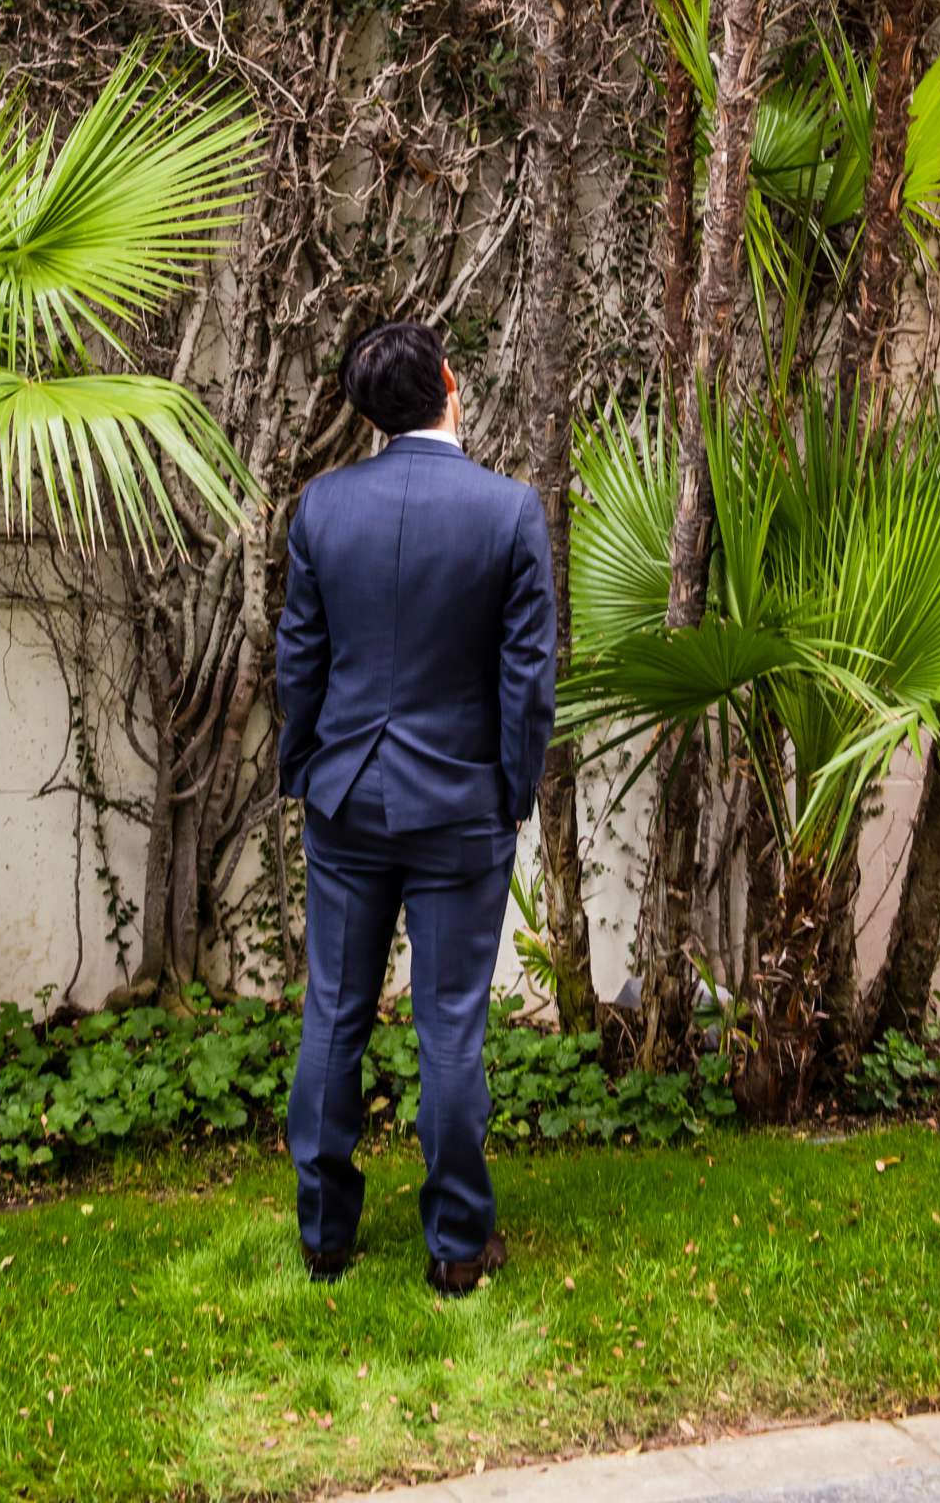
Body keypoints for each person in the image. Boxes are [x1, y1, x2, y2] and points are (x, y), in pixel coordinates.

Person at [276, 319, 557, 1294]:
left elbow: (298, 664)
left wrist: (301, 771)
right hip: (461, 809)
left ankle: (324, 1237)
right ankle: (456, 1247)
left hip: (347, 801)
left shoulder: (322, 509)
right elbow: (527, 682)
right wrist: (513, 792)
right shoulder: (509, 511)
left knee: (334, 1014)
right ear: (449, 381)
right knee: (449, 1026)